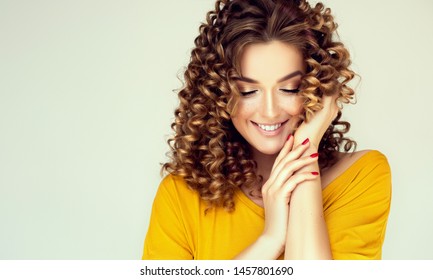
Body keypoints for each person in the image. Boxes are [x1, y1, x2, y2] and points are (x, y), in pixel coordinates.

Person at [142, 0, 391, 260]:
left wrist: (305, 150)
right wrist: (271, 239)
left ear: (316, 85)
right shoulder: (180, 196)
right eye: (248, 91)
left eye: (290, 88)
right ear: (218, 94)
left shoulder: (361, 177)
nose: (270, 111)